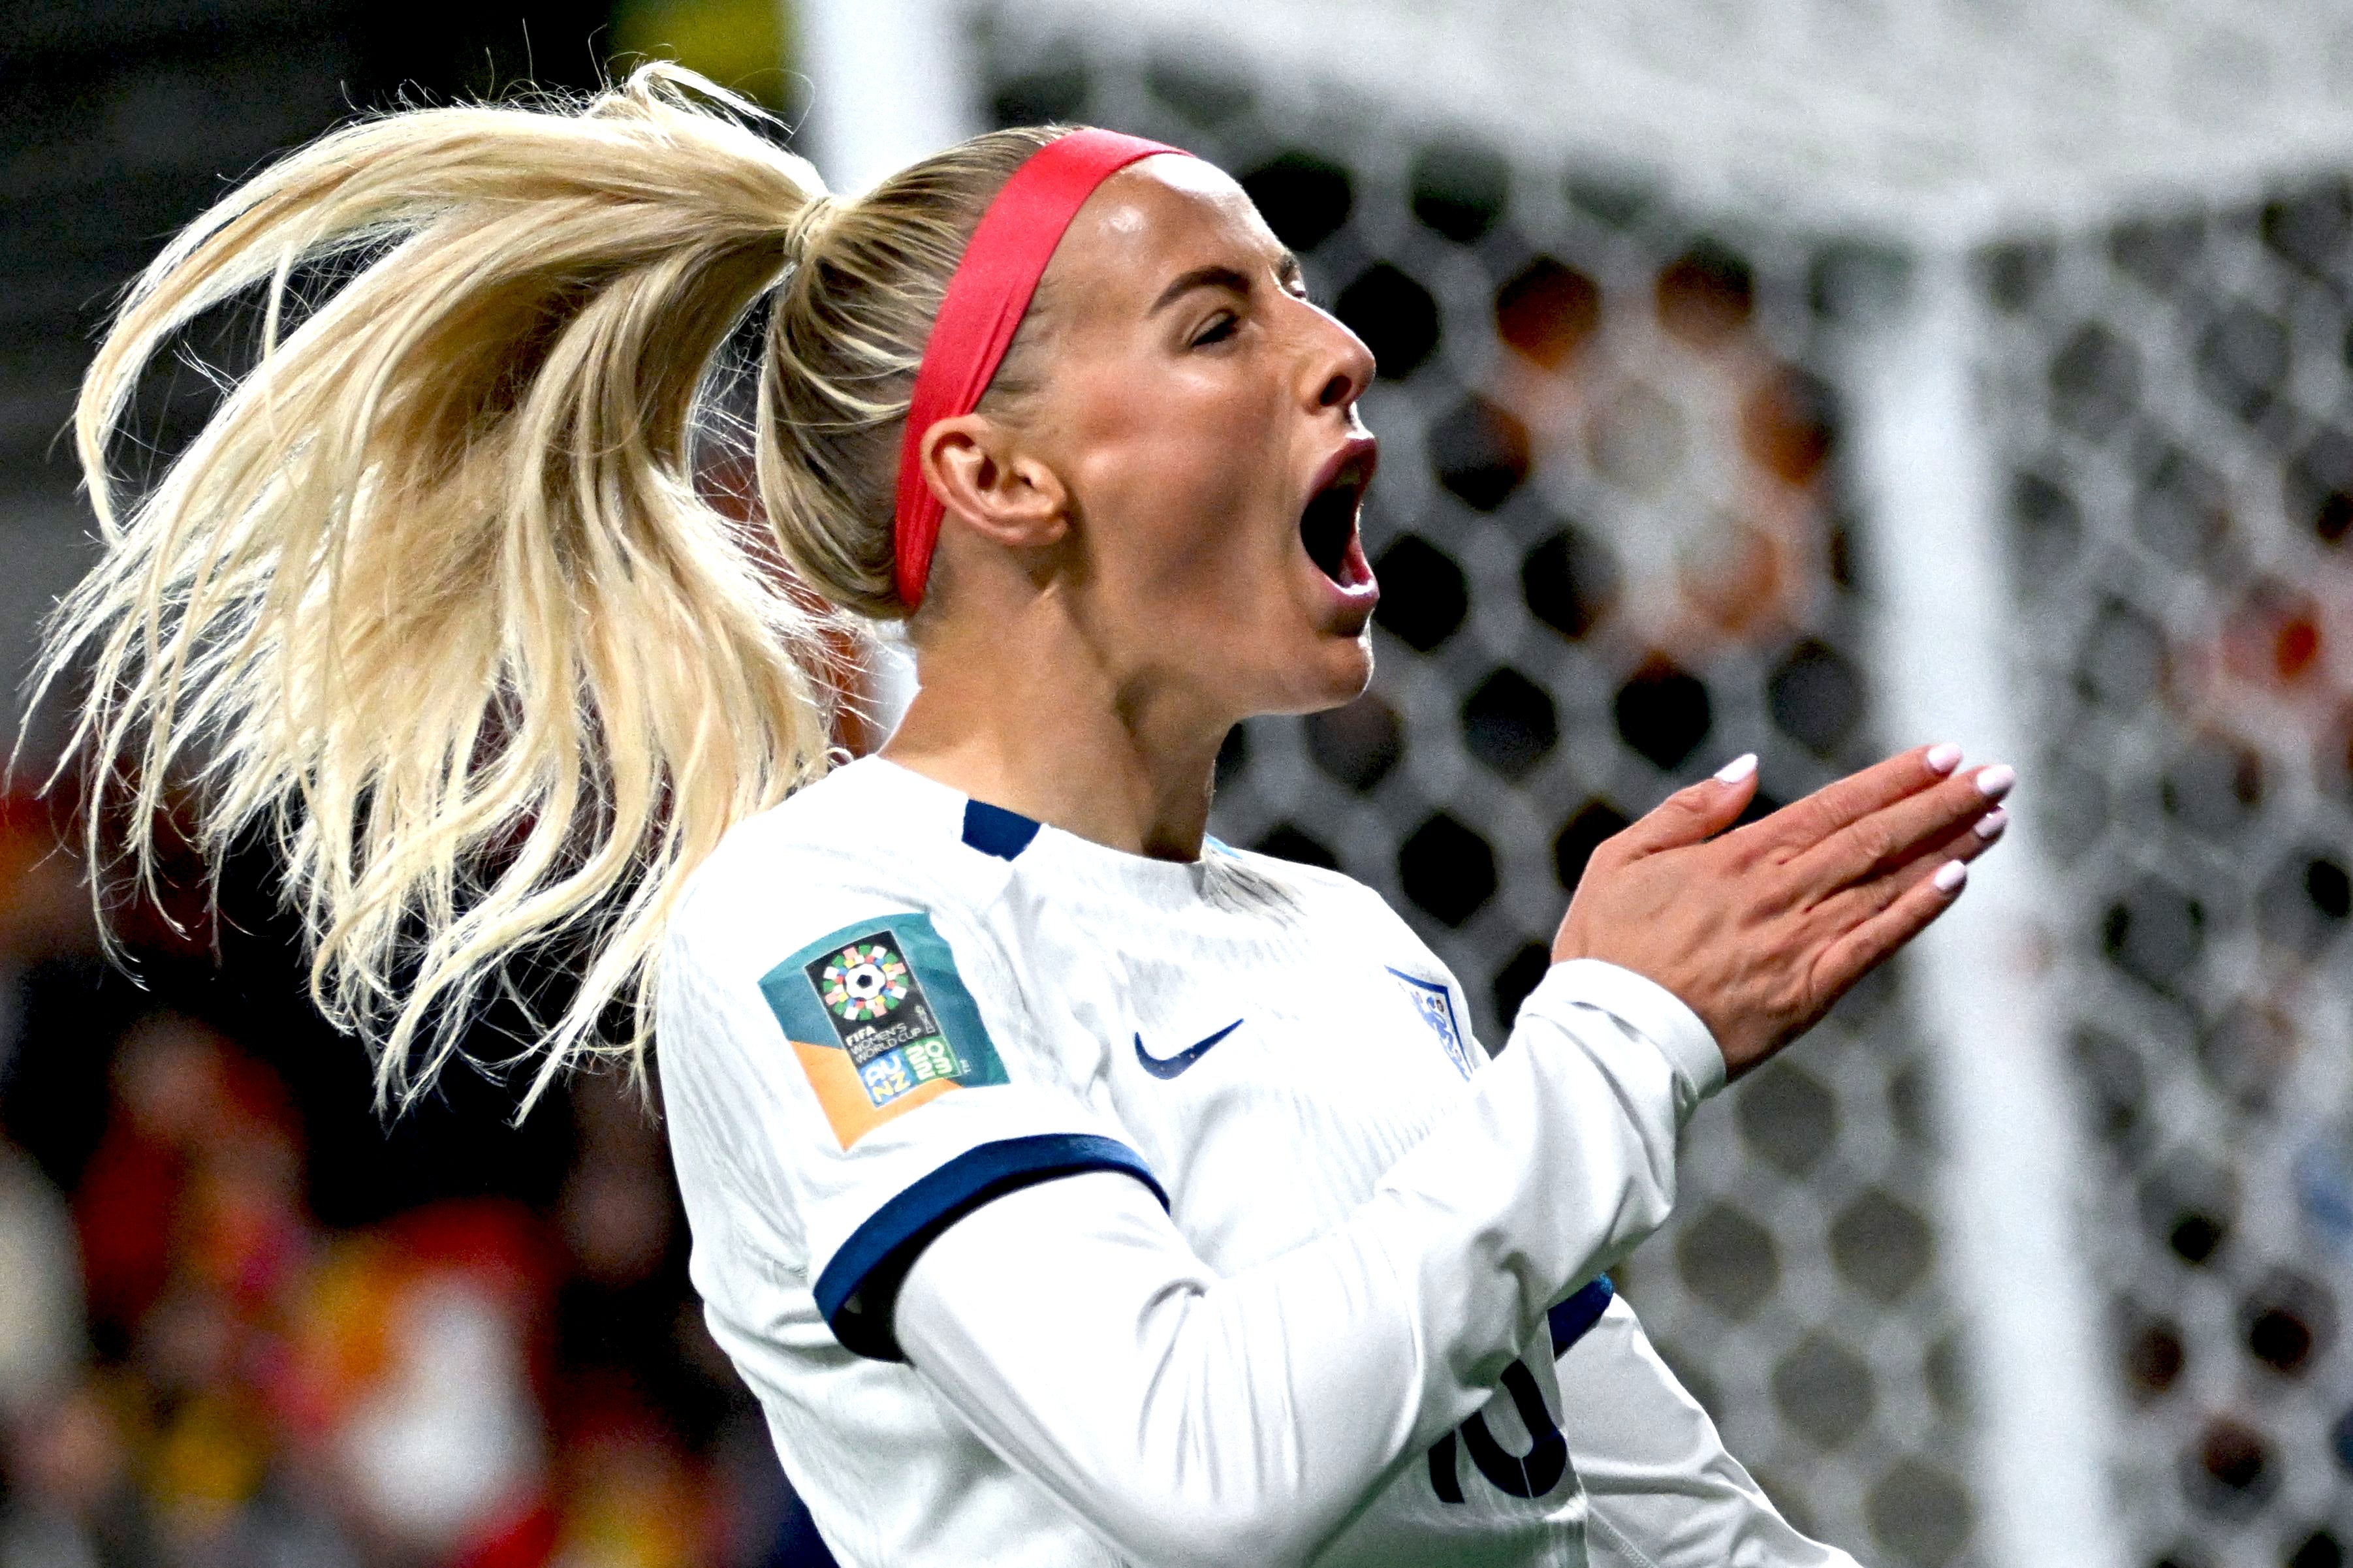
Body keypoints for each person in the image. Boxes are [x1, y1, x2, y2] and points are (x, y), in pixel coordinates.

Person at [35, 65, 2015, 1568]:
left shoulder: (1340, 943)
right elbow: (1195, 1462)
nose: (1340, 349)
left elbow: (1651, 1513)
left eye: (1301, 296)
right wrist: (1617, 1036)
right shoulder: (828, 932)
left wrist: (1596, 1055)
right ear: (996, 477)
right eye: (1220, 323)